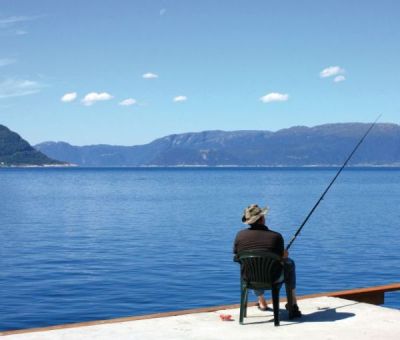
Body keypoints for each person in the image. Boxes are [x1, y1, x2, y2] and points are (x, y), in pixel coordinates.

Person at [233, 204, 302, 318]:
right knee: (290, 263)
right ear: (262, 219)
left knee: (253, 267)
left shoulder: (240, 236)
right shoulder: (275, 237)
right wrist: (284, 255)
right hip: (273, 278)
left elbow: (237, 255)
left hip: (249, 278)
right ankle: (293, 303)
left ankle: (261, 301)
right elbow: (282, 258)